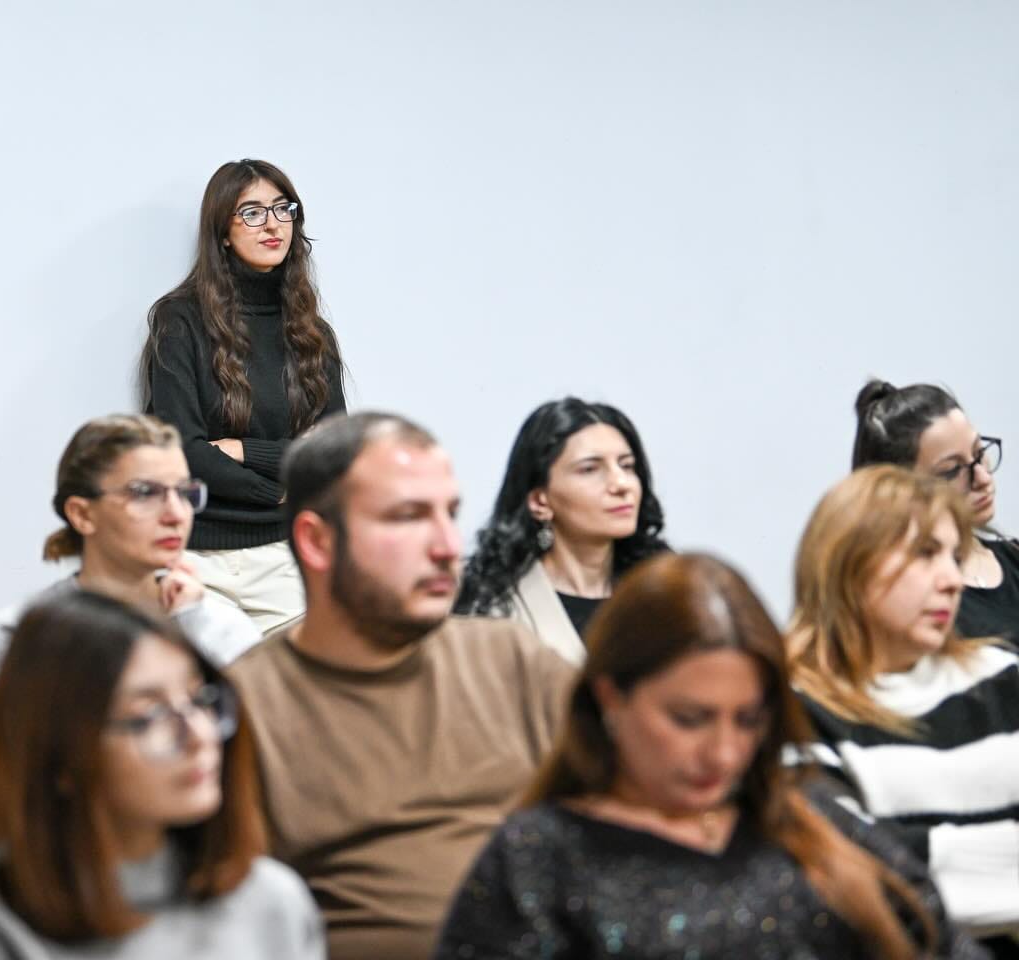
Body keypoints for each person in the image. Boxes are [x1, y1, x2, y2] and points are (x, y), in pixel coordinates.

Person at [435, 552, 982, 960]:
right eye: (689, 719)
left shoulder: (810, 818)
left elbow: (939, 938)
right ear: (610, 697)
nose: (723, 753)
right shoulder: (538, 859)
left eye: (748, 720)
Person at [227, 412, 576, 960]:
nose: (448, 546)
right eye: (409, 517)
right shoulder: (243, 708)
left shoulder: (511, 659)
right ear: (318, 541)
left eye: (450, 514)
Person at [0, 591, 322, 959]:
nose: (201, 736)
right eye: (151, 715)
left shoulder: (269, 901)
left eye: (200, 700)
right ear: (60, 751)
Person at [789, 464, 1019, 955]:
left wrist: (923, 850)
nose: (952, 580)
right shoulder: (792, 710)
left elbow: (895, 864)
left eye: (955, 557)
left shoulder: (1003, 677)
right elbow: (855, 883)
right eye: (925, 554)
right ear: (851, 564)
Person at [142, 158, 346, 633]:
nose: (272, 224)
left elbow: (334, 457)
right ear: (223, 233)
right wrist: (277, 490)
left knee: (305, 678)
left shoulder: (313, 334)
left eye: (282, 208)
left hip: (284, 558)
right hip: (199, 555)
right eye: (251, 212)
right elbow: (182, 450)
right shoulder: (180, 321)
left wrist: (241, 450)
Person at [0, 414, 259, 729]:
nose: (176, 514)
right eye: (145, 493)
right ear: (82, 514)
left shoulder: (222, 629)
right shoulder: (17, 635)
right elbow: (17, 758)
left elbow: (243, 749)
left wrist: (191, 626)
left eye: (184, 493)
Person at [456, 397, 669, 663]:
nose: (621, 484)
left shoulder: (664, 595)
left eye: (626, 466)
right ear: (539, 501)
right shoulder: (493, 608)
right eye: (590, 469)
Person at [853, 378, 1014, 641]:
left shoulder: (1013, 556)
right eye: (952, 470)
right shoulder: (909, 599)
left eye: (979, 452)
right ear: (897, 489)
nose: (983, 478)